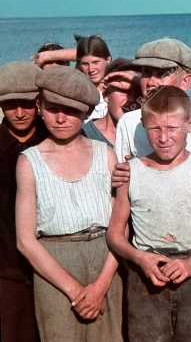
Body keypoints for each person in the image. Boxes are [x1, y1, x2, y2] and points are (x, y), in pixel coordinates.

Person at [107, 86, 191, 342]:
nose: (164, 138)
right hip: (145, 275)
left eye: (172, 128)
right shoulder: (130, 172)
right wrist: (139, 258)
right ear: (143, 126)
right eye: (155, 129)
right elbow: (115, 234)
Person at [15, 66, 122, 341]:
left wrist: (101, 285)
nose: (61, 118)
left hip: (105, 263)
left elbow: (121, 226)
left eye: (72, 111)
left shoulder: (106, 155)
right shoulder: (29, 161)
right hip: (54, 269)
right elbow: (26, 241)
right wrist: (75, 291)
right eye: (53, 109)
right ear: (39, 106)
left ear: (87, 113)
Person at [113, 37, 191, 162]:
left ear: (185, 82)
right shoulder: (128, 121)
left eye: (162, 74)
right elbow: (119, 169)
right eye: (146, 73)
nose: (151, 82)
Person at [0, 61, 45, 342]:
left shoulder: (56, 139)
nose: (18, 113)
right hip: (6, 269)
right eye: (10, 104)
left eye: (27, 104)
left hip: (56, 264)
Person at [81, 58, 142, 147]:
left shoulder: (148, 135)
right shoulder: (83, 134)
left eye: (137, 92)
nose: (131, 99)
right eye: (123, 91)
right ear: (106, 94)